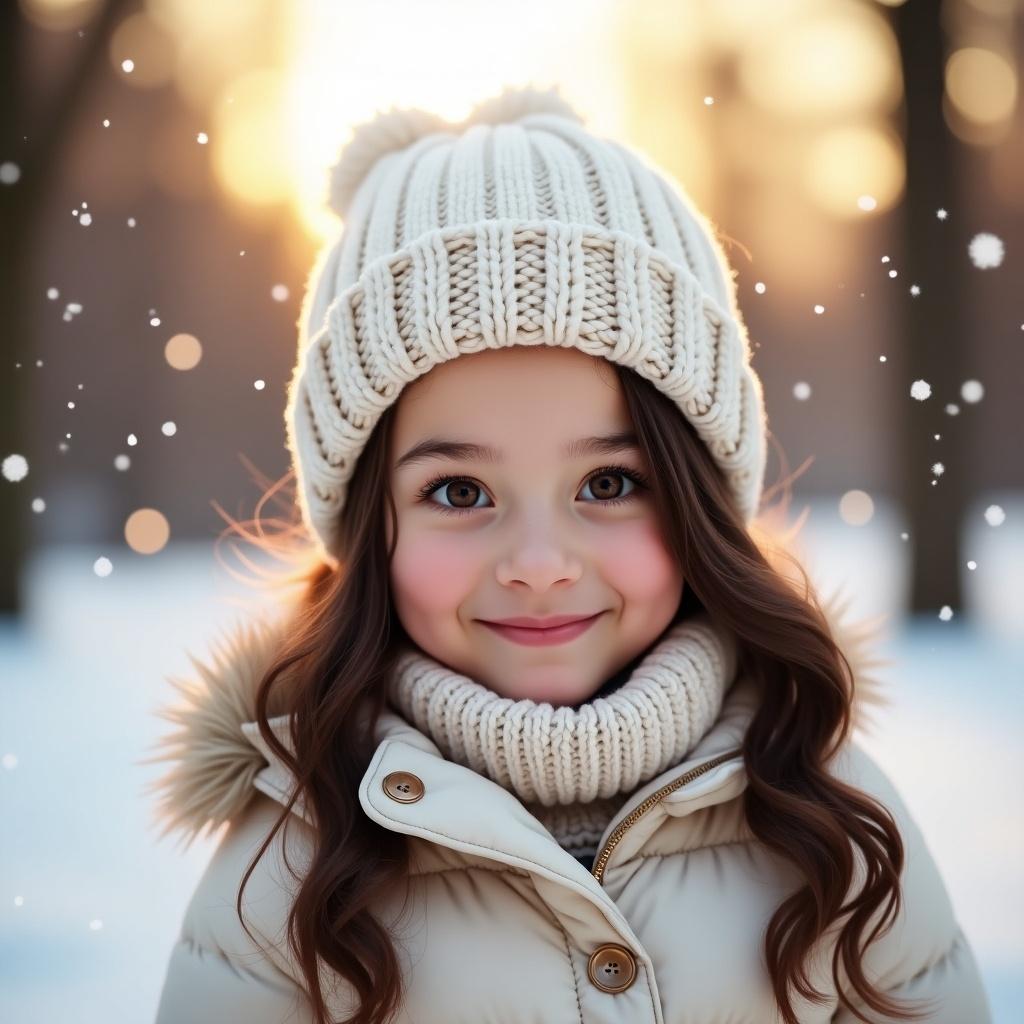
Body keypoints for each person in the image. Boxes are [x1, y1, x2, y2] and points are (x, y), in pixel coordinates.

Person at [145, 85, 992, 1024]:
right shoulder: (293, 866)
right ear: (366, 530)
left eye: (609, 484)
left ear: (700, 497)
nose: (540, 562)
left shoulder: (835, 825)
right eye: (459, 493)